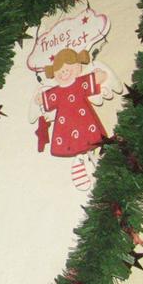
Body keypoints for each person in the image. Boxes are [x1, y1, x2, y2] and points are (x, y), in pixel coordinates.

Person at [35, 48, 108, 189]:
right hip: (66, 127)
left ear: (78, 66)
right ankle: (80, 165)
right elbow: (47, 98)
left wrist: (97, 77)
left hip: (83, 122)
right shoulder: (57, 91)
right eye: (60, 71)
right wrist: (42, 99)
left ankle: (97, 165)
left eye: (67, 68)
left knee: (91, 143)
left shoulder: (79, 83)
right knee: (76, 147)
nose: (64, 73)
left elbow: (94, 80)